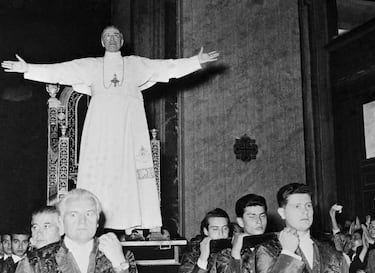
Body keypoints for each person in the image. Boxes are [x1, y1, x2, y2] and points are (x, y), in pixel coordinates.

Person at [1, 25, 219, 232]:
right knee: (99, 172)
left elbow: (167, 67)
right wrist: (27, 68)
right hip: (101, 129)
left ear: (122, 41)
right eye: (108, 36)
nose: (112, 39)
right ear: (102, 42)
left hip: (130, 128)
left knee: (131, 170)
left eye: (116, 36)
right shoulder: (92, 65)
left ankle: (135, 223)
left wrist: (195, 62)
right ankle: (93, 224)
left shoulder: (135, 64)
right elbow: (60, 70)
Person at [8, 188, 148, 273]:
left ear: (98, 221)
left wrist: (120, 266)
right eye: (73, 214)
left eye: (89, 214)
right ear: (61, 222)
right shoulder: (34, 263)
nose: (82, 221)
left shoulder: (120, 257)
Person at [256, 182, 351, 273]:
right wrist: (288, 253)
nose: (305, 211)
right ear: (282, 213)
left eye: (308, 205)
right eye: (297, 206)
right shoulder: (268, 251)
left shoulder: (332, 254)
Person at [217, 193, 268, 273]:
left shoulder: (276, 249)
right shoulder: (225, 253)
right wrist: (235, 254)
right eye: (252, 216)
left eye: (262, 216)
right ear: (240, 221)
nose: (259, 221)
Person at [7, 205, 63, 273]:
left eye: (46, 226)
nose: (39, 232)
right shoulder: (28, 263)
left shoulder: (72, 260)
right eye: (35, 227)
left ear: (61, 229)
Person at [179, 208, 231, 273]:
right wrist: (203, 258)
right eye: (215, 229)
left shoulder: (234, 253)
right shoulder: (192, 255)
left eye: (224, 228)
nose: (221, 233)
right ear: (206, 231)